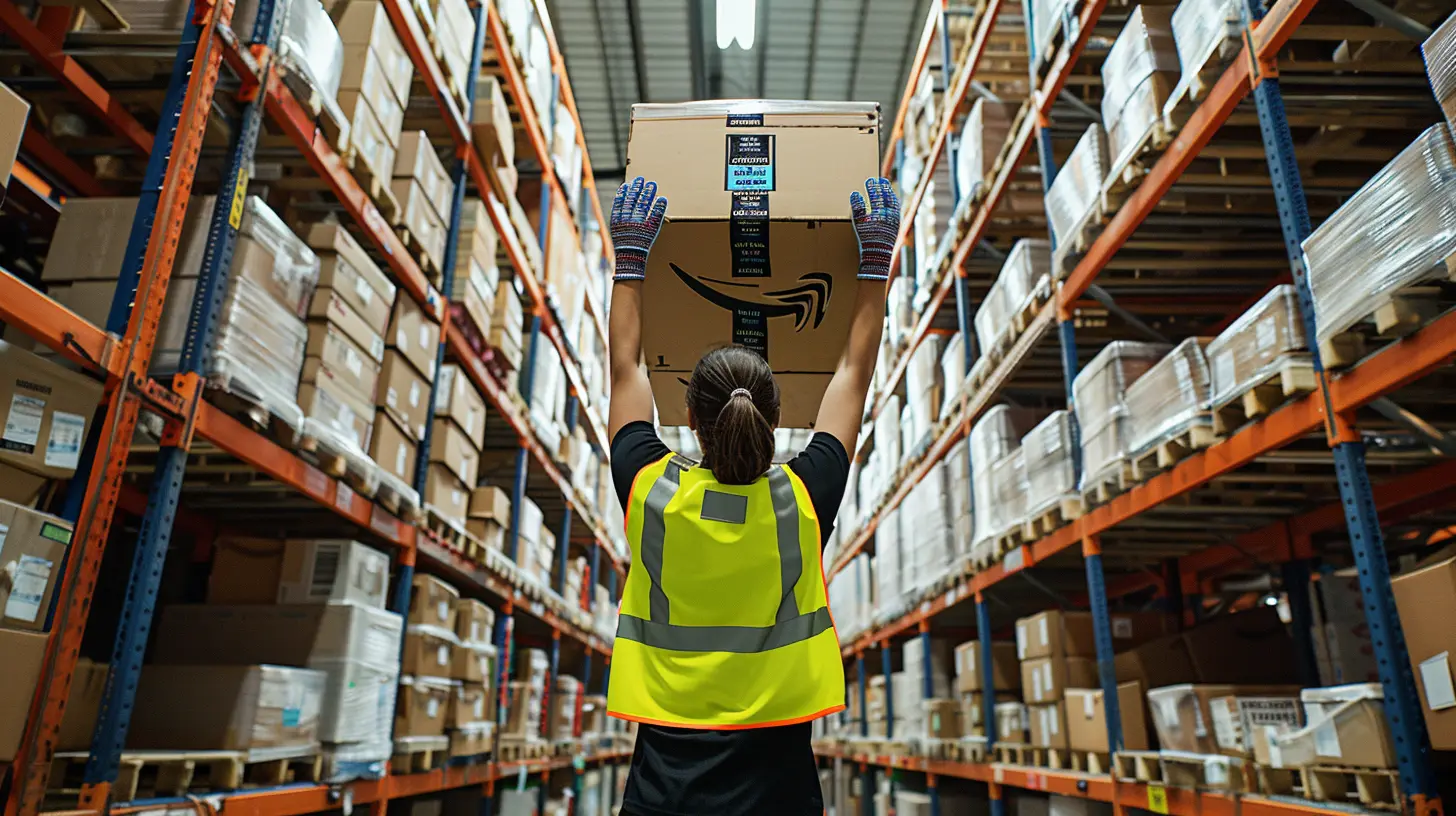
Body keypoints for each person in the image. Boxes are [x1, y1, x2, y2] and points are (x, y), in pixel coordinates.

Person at [603, 175, 900, 815]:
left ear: (687, 413)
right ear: (775, 414)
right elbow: (853, 375)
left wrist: (630, 261)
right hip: (780, 794)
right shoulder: (801, 499)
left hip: (662, 793)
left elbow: (624, 370)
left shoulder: (651, 491)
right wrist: (874, 265)